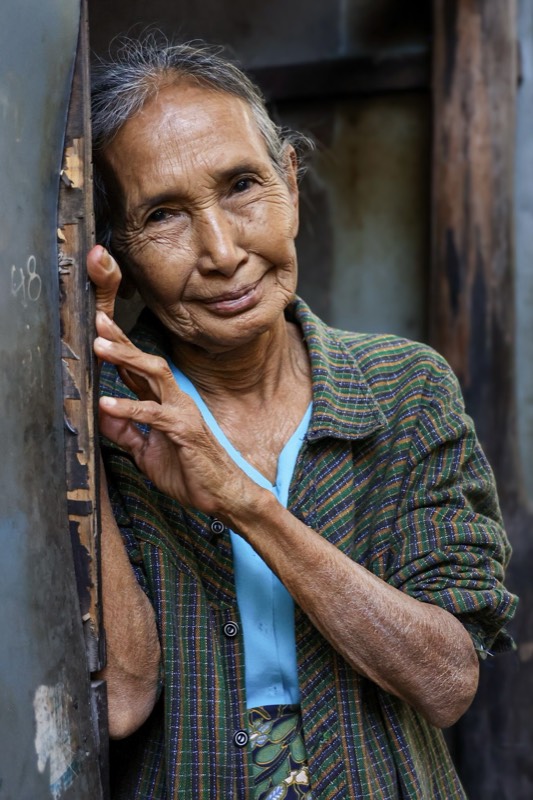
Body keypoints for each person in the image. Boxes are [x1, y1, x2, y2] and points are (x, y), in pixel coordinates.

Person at [87, 36, 517, 800]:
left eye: (241, 185)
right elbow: (122, 699)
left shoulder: (404, 390)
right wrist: (79, 410)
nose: (222, 251)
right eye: (163, 215)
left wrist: (243, 501)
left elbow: (445, 682)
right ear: (115, 248)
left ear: (288, 178)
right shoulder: (107, 419)